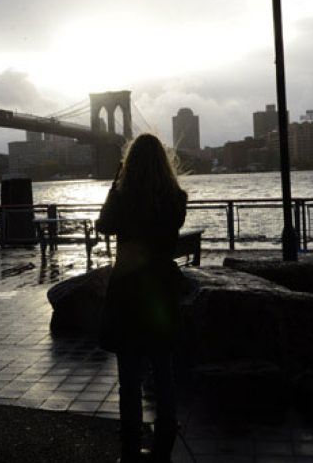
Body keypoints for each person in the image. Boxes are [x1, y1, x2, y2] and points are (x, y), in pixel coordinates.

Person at [96, 133, 188, 463]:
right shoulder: (176, 199)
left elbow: (103, 226)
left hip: (127, 294)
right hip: (161, 292)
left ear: (129, 164)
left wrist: (115, 182)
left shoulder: (123, 198)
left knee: (129, 379)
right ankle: (164, 446)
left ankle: (130, 450)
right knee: (164, 373)